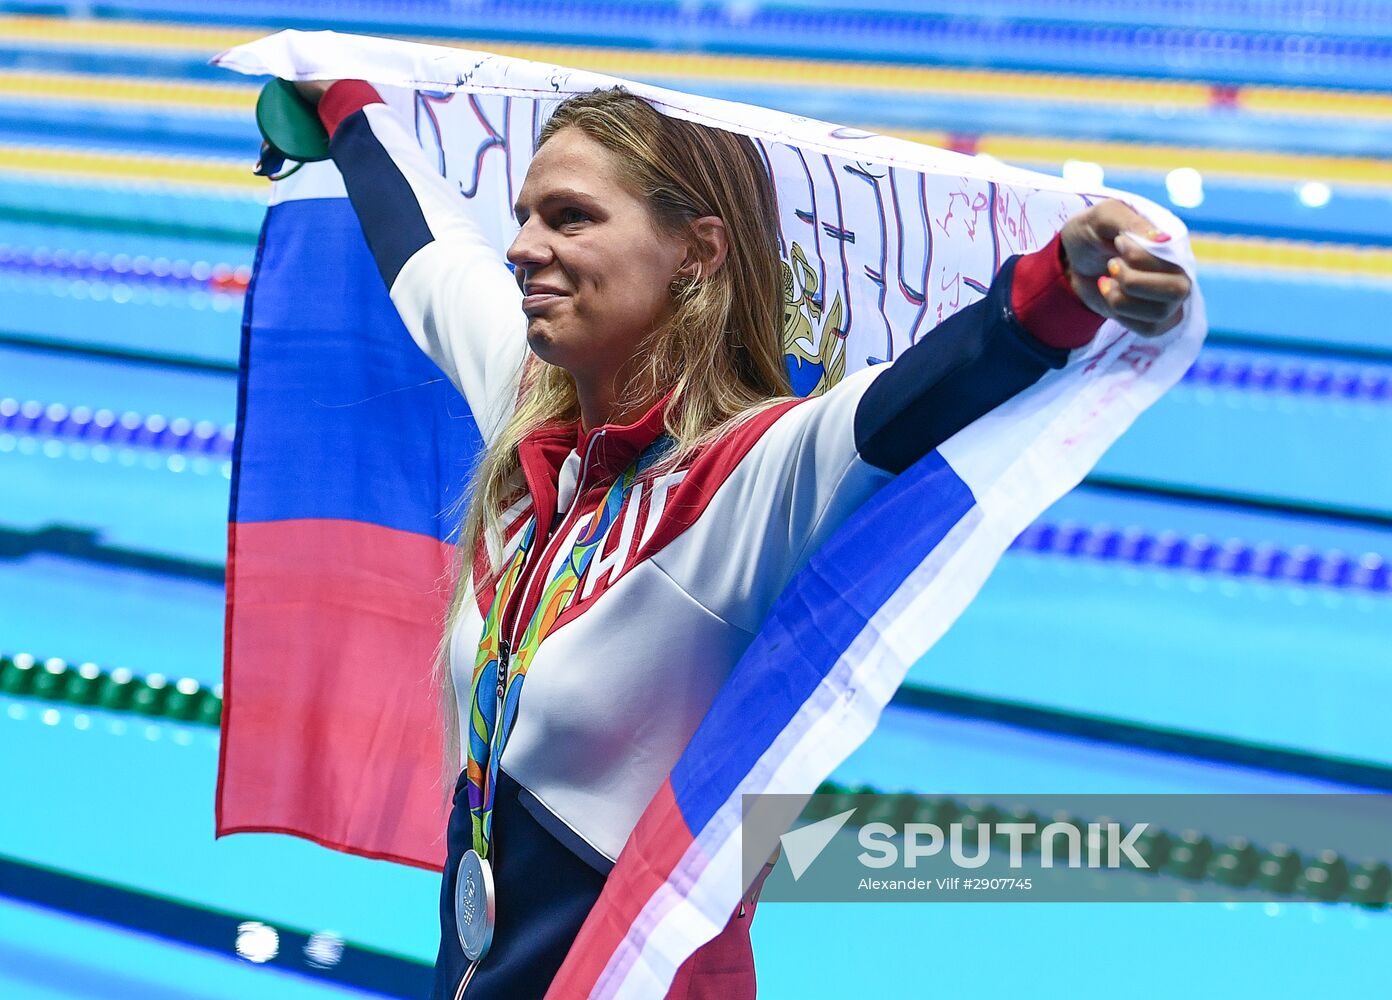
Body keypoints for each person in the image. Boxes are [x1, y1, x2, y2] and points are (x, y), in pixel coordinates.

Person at [288, 79, 1190, 999]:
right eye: (524, 217)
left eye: (570, 217)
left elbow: (913, 397)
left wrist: (1062, 288)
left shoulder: (752, 480)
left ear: (696, 252)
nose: (524, 247)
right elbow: (435, 258)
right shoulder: (534, 431)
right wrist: (338, 100)